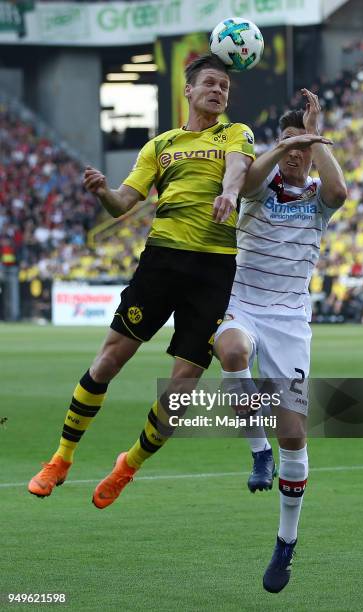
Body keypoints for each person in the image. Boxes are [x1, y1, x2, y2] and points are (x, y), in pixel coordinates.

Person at [28, 54, 256, 508]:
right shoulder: (160, 146)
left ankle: (127, 466)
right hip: (163, 261)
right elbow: (122, 204)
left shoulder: (236, 133)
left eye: (224, 87)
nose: (218, 92)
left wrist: (229, 193)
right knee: (110, 359)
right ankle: (61, 459)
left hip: (214, 269)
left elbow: (237, 169)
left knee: (182, 388)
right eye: (209, 84)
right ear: (188, 91)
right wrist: (102, 192)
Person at [214, 89, 347, 593]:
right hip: (242, 304)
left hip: (290, 323)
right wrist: (284, 140)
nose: (295, 155)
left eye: (303, 149)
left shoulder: (316, 199)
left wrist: (316, 137)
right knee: (231, 351)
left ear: (312, 154)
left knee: (294, 434)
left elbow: (340, 193)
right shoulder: (260, 183)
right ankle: (256, 452)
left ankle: (286, 542)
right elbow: (245, 182)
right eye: (288, 146)